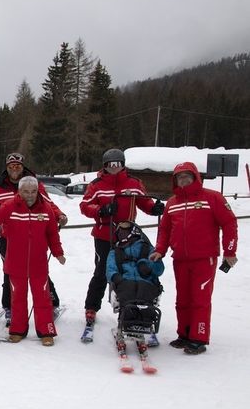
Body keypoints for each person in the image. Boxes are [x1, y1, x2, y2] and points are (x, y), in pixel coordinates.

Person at [149, 161, 238, 355]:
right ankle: (184, 334)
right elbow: (164, 230)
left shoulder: (212, 198)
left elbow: (229, 223)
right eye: (180, 177)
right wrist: (160, 250)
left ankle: (198, 338)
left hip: (204, 259)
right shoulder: (172, 203)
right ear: (175, 181)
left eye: (187, 176)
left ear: (195, 177)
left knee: (200, 299)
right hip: (180, 259)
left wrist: (230, 251)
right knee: (183, 299)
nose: (183, 179)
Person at [80, 148, 164, 333]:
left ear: (123, 164)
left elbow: (144, 202)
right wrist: (101, 210)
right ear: (104, 166)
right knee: (102, 270)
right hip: (104, 234)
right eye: (110, 165)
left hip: (127, 235)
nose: (114, 168)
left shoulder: (133, 183)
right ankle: (91, 307)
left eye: (117, 164)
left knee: (128, 269)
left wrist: (154, 208)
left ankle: (131, 304)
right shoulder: (97, 185)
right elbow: (85, 206)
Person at [0, 153, 66, 326]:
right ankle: (9, 308)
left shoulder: (34, 185)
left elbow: (48, 204)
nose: (14, 169)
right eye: (11, 166)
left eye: (17, 166)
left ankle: (52, 302)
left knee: (39, 274)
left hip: (35, 238)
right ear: (7, 168)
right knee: (10, 273)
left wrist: (60, 215)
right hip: (9, 239)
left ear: (22, 167)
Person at [106, 221, 164, 347]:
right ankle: (128, 321)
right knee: (129, 292)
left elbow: (159, 270)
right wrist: (116, 278)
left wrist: (148, 265)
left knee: (144, 291)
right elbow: (110, 269)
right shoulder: (115, 251)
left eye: (124, 232)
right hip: (125, 281)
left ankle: (146, 320)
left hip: (146, 281)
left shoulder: (147, 249)